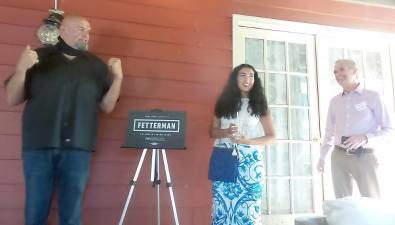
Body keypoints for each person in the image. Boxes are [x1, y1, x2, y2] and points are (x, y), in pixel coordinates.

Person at [4, 15, 123, 225]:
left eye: (88, 31)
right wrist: (22, 69)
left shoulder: (96, 66)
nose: (86, 35)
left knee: (71, 216)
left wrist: (118, 79)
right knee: (34, 213)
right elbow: (12, 98)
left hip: (78, 149)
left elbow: (107, 106)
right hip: (38, 147)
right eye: (80, 29)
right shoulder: (38, 57)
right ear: (62, 31)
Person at [317, 59, 393, 198]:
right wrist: (322, 157)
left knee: (372, 202)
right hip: (338, 157)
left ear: (355, 71)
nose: (338, 74)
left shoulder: (373, 96)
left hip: (364, 156)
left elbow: (389, 130)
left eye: (342, 69)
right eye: (335, 71)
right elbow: (329, 132)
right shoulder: (334, 101)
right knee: (343, 203)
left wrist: (365, 138)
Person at [209, 64, 275, 225]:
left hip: (250, 163)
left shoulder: (259, 103)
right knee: (222, 208)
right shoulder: (223, 102)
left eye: (251, 75)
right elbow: (212, 132)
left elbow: (271, 136)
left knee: (248, 210)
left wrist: (248, 141)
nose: (248, 79)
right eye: (243, 75)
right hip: (224, 157)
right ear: (235, 78)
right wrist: (226, 132)